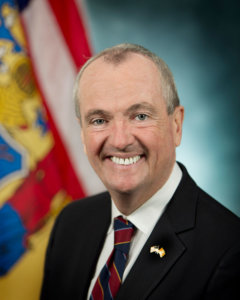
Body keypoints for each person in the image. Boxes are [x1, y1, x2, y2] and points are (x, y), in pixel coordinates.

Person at [40, 43, 240, 300]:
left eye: (140, 116)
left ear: (176, 124)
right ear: (82, 132)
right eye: (99, 120)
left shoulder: (229, 252)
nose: (120, 140)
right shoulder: (71, 224)